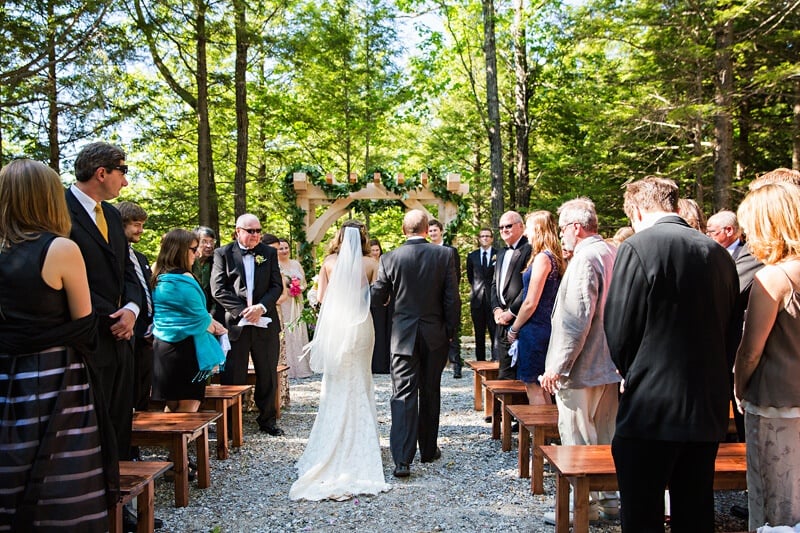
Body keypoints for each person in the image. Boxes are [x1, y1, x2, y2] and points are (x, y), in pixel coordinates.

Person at [604, 177, 738, 533]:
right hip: (706, 406)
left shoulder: (637, 247)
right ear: (676, 206)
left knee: (642, 511)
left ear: (634, 210)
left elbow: (619, 329)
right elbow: (730, 330)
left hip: (651, 407)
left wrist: (634, 373)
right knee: (695, 509)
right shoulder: (719, 253)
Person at [0, 159, 111, 531]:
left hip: (5, 377)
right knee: (59, 479)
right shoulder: (60, 249)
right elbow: (84, 324)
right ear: (48, 199)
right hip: (53, 379)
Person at [289, 225, 391, 501]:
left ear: (339, 238)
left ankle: (332, 441)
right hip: (361, 327)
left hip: (337, 326)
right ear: (364, 238)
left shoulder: (329, 263)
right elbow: (381, 296)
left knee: (335, 381)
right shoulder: (372, 262)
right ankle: (362, 442)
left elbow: (321, 298)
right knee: (361, 379)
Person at [539, 198, 620, 524]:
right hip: (608, 364)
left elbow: (576, 319)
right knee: (606, 437)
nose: (561, 235)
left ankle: (582, 507)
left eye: (562, 229)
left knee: (577, 438)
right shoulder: (612, 251)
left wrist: (556, 367)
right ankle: (610, 502)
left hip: (583, 366)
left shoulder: (586, 258)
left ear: (576, 227)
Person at [65, 142, 141, 464]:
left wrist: (132, 310)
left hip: (121, 337)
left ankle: (122, 506)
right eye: (122, 172)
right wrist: (110, 316)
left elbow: (127, 270)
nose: (125, 182)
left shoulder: (111, 214)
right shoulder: (58, 209)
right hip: (84, 338)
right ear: (101, 173)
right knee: (91, 427)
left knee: (119, 420)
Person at [372, 210, 460, 478]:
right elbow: (452, 299)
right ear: (426, 229)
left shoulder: (389, 258)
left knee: (403, 394)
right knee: (431, 390)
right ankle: (429, 449)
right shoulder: (444, 255)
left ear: (403, 229)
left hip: (402, 336)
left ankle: (402, 460)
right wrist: (450, 332)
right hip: (435, 334)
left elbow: (378, 296)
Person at [734, 182, 800, 531]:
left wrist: (738, 386)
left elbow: (749, 352)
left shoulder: (773, 278)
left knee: (776, 508)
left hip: (776, 404)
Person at [211, 214, 285, 436]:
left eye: (258, 231)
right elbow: (218, 289)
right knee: (233, 375)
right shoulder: (222, 253)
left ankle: (267, 420)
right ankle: (232, 425)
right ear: (238, 231)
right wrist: (243, 311)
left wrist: (260, 308)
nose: (255, 235)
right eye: (250, 231)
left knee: (267, 373)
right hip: (236, 324)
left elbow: (276, 286)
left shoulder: (269, 253)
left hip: (265, 322)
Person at [151, 229, 227, 413]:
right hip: (187, 349)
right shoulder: (184, 279)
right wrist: (216, 327)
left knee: (172, 404)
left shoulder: (156, 274)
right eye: (194, 249)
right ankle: (183, 442)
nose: (198, 253)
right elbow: (199, 317)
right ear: (181, 250)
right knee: (189, 406)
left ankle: (171, 441)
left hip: (162, 347)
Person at [707, 210, 763, 442]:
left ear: (729, 231)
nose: (706, 236)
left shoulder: (751, 256)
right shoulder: (713, 254)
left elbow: (728, 292)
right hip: (718, 351)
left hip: (739, 349)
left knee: (744, 423)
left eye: (710, 232)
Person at [507, 211, 564, 405]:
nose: (526, 234)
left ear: (538, 229)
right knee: (543, 384)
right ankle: (548, 434)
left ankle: (540, 434)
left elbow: (530, 301)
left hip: (536, 328)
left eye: (529, 228)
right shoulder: (555, 257)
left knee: (533, 385)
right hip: (546, 325)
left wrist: (514, 328)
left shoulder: (542, 259)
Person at [115, 201, 154, 413]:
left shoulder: (140, 257)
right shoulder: (115, 255)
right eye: (136, 225)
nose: (141, 230)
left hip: (147, 333)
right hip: (127, 331)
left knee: (142, 388)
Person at [491, 211, 532, 380]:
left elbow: (528, 287)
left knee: (523, 375)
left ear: (521, 226)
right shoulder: (500, 253)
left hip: (521, 319)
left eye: (508, 226)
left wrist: (511, 312)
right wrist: (496, 310)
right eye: (501, 227)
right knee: (505, 372)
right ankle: (501, 407)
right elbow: (493, 284)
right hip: (501, 321)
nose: (504, 230)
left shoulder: (529, 249)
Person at [429, 218, 462, 378]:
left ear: (441, 231)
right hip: (430, 298)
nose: (433, 233)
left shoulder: (451, 251)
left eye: (435, 230)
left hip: (448, 296)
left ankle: (456, 364)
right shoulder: (426, 250)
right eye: (430, 231)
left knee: (452, 330)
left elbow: (457, 274)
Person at [261, 233, 290, 407]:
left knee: (276, 355)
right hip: (253, 314)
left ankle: (278, 398)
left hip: (274, 312)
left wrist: (266, 303)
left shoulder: (277, 269)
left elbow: (283, 294)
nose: (276, 253)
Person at [276, 237, 312, 378]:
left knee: (298, 330)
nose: (284, 251)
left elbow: (304, 282)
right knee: (286, 330)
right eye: (281, 248)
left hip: (296, 302)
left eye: (286, 248)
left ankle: (302, 366)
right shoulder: (276, 265)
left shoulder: (296, 264)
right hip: (284, 301)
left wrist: (299, 289)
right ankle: (287, 367)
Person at [466, 228, 497, 362]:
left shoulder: (498, 254)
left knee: (494, 333)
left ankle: (496, 360)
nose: (485, 238)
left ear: (492, 238)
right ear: (479, 238)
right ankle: (480, 362)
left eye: (487, 236)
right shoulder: (472, 256)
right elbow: (470, 276)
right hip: (477, 299)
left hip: (493, 299)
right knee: (479, 334)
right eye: (482, 236)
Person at [368, 237, 392, 374]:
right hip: (372, 301)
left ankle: (385, 362)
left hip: (386, 300)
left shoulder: (385, 261)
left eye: (377, 250)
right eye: (373, 250)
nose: (375, 252)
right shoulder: (367, 263)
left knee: (385, 330)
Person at [193, 226, 221, 319]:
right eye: (204, 241)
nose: (209, 246)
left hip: (211, 313)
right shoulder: (188, 263)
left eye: (212, 242)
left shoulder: (216, 263)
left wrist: (212, 313)